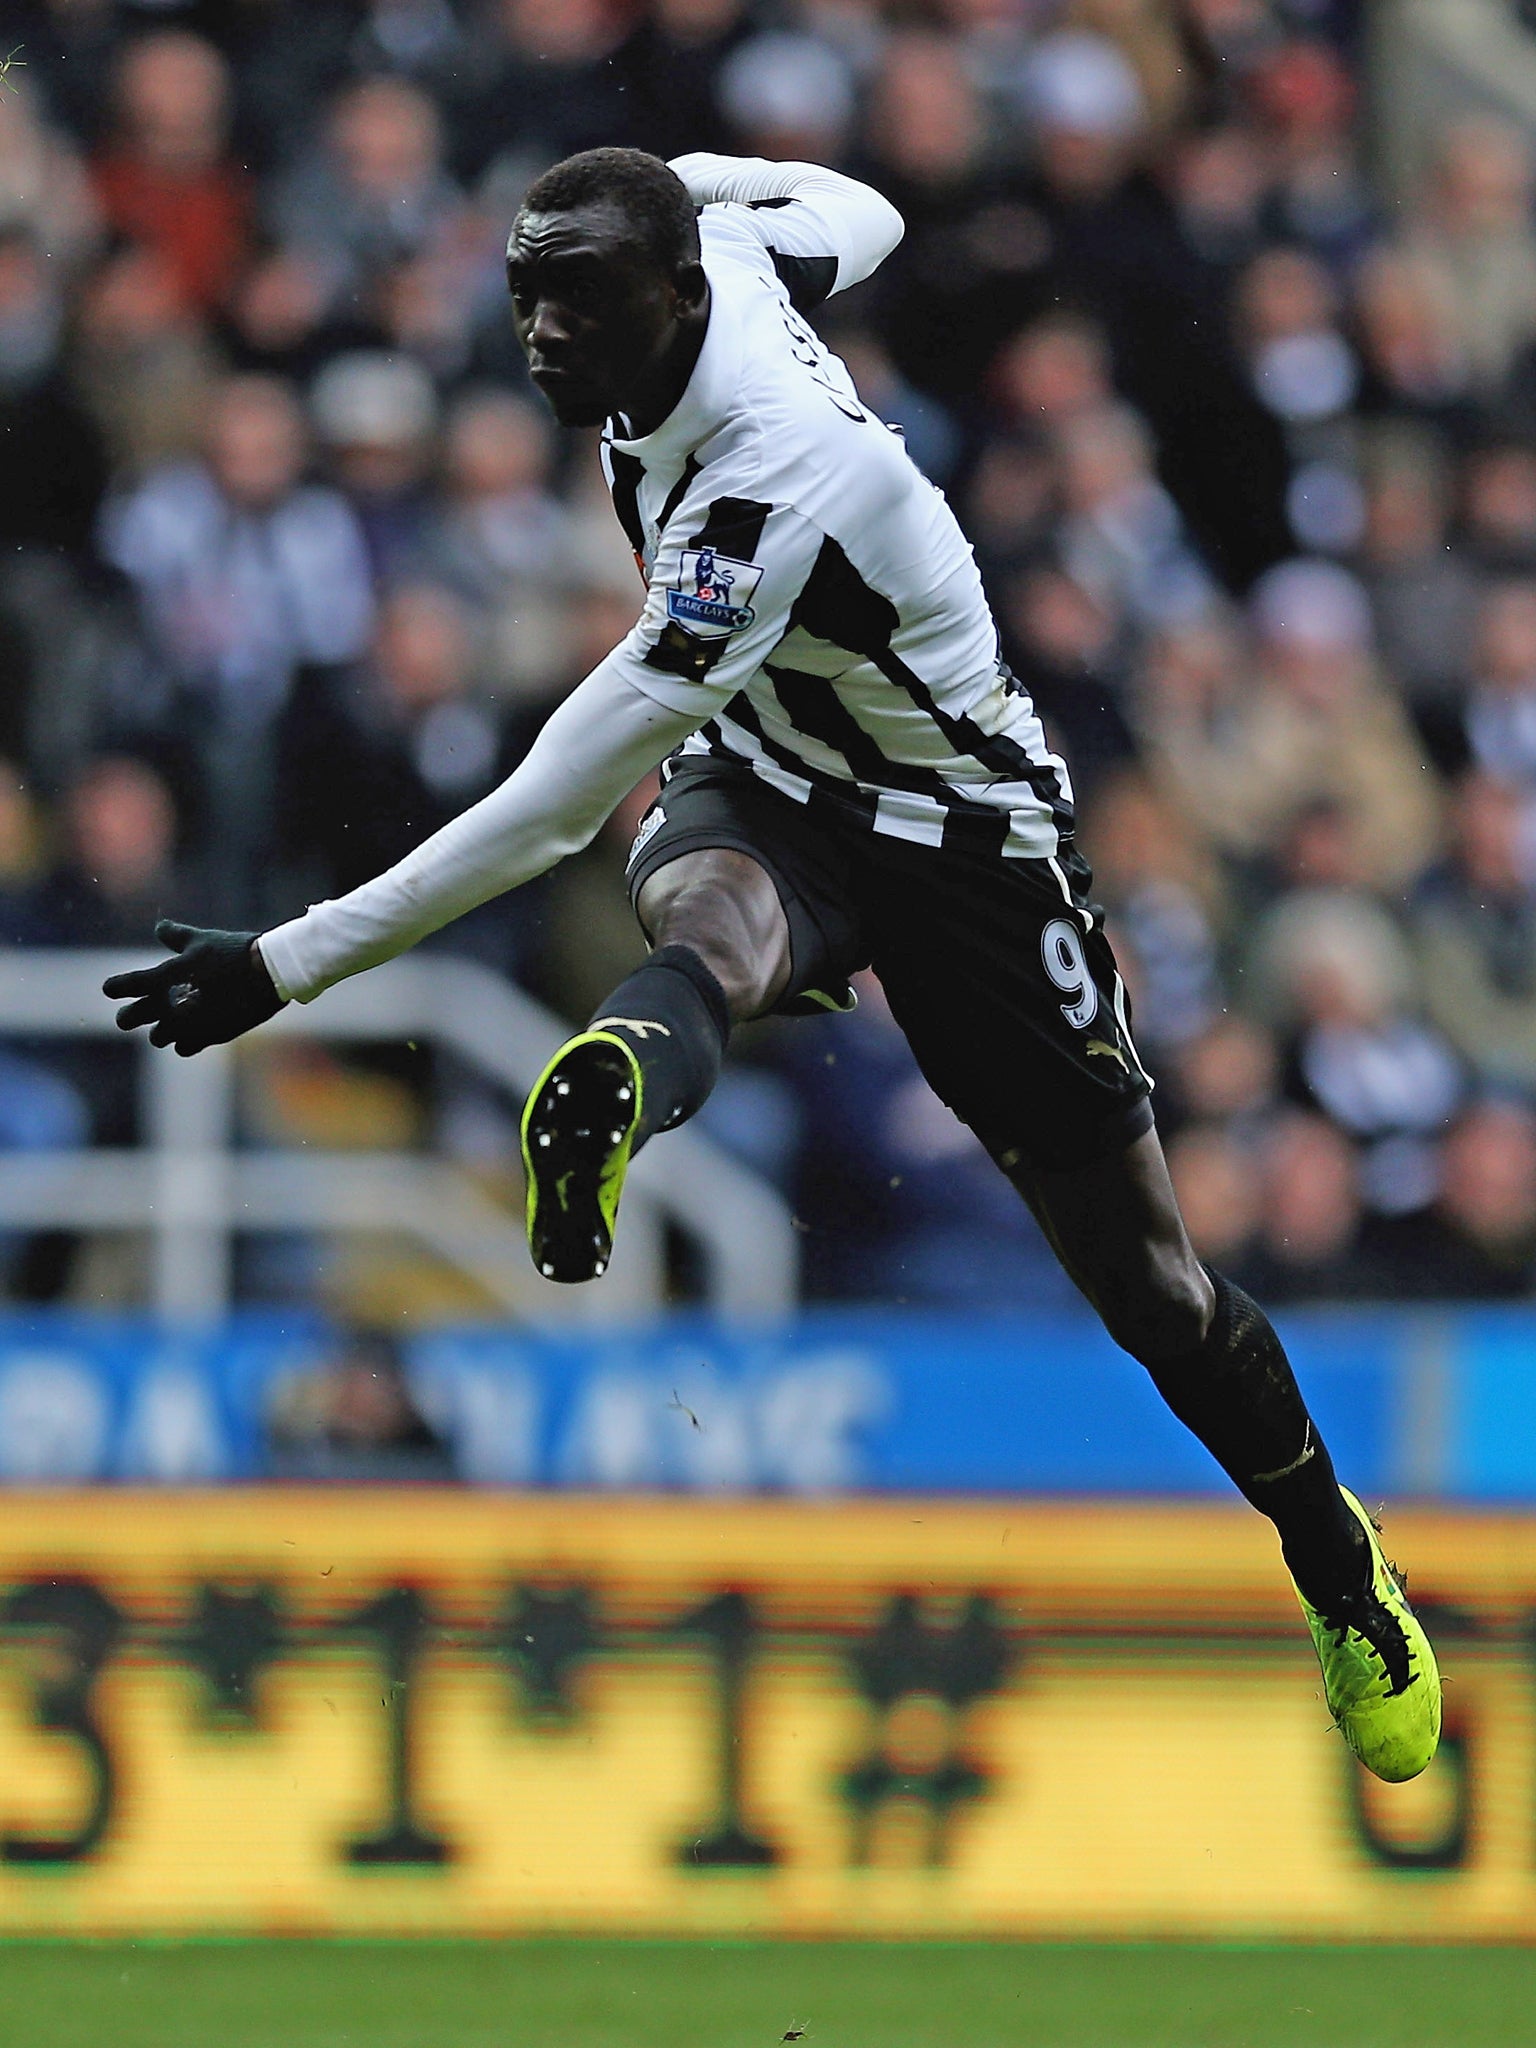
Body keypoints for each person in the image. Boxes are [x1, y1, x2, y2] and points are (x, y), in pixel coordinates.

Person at [102, 146, 1440, 1785]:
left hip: (962, 832)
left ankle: (1332, 1558)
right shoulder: (721, 257)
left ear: (669, 296)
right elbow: (869, 211)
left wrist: (285, 967)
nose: (538, 331)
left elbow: (544, 810)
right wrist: (685, 178)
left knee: (1148, 1282)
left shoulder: (770, 482)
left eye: (575, 296)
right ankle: (612, 1081)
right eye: (525, 290)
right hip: (776, 762)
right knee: (711, 912)